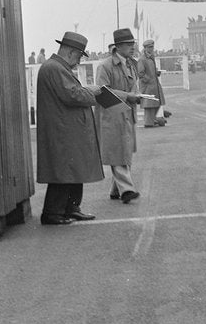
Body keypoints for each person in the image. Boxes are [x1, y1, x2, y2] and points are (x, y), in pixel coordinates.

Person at [35, 32, 111, 225]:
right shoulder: (55, 68)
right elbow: (73, 95)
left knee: (71, 170)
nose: (78, 61)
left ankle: (70, 208)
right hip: (63, 131)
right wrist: (92, 92)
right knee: (65, 171)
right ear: (71, 52)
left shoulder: (55, 67)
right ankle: (53, 213)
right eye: (78, 56)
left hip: (66, 129)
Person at [96, 28, 143, 203]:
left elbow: (133, 86)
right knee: (117, 150)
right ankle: (127, 190)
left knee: (125, 150)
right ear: (118, 46)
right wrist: (127, 96)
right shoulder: (105, 65)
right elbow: (102, 91)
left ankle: (116, 189)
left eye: (133, 44)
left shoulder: (131, 63)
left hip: (126, 113)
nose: (132, 47)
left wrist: (136, 96)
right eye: (129, 44)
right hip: (112, 114)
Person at [137, 39, 166, 127]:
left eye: (152, 47)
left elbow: (150, 70)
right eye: (149, 47)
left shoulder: (151, 57)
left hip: (154, 85)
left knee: (157, 103)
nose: (151, 48)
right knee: (149, 105)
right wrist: (148, 80)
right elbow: (140, 73)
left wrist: (156, 72)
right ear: (145, 48)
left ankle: (152, 120)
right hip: (148, 86)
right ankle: (148, 123)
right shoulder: (142, 59)